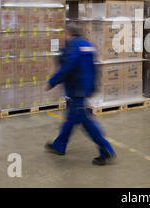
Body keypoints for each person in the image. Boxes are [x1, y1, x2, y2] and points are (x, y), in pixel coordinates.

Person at [44, 24, 116, 166]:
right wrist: (93, 87)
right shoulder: (88, 45)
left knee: (86, 122)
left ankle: (106, 149)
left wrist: (52, 82)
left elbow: (68, 67)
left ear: (68, 33)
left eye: (64, 34)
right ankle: (59, 145)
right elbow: (95, 68)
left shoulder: (73, 46)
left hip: (76, 89)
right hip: (84, 88)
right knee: (70, 119)